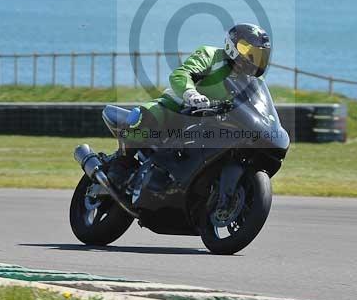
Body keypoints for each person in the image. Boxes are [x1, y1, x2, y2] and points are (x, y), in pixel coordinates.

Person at [106, 23, 271, 189]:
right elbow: (181, 74)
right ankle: (121, 164)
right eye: (248, 51)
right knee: (147, 115)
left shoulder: (253, 81)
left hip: (215, 120)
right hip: (179, 107)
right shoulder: (211, 55)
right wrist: (191, 94)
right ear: (232, 45)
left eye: (259, 55)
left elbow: (258, 104)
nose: (253, 59)